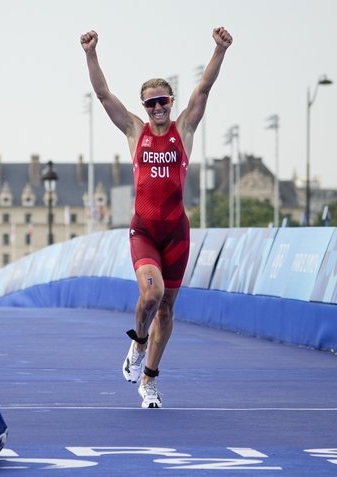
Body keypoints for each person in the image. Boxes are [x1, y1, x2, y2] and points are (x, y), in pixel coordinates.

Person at [81, 27, 233, 408]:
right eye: (151, 104)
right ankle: (138, 341)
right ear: (144, 108)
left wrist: (218, 50)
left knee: (167, 308)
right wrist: (91, 54)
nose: (158, 108)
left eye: (163, 101)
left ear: (170, 101)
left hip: (177, 233)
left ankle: (149, 381)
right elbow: (103, 95)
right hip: (144, 230)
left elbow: (204, 90)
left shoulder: (184, 129)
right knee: (152, 293)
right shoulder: (136, 131)